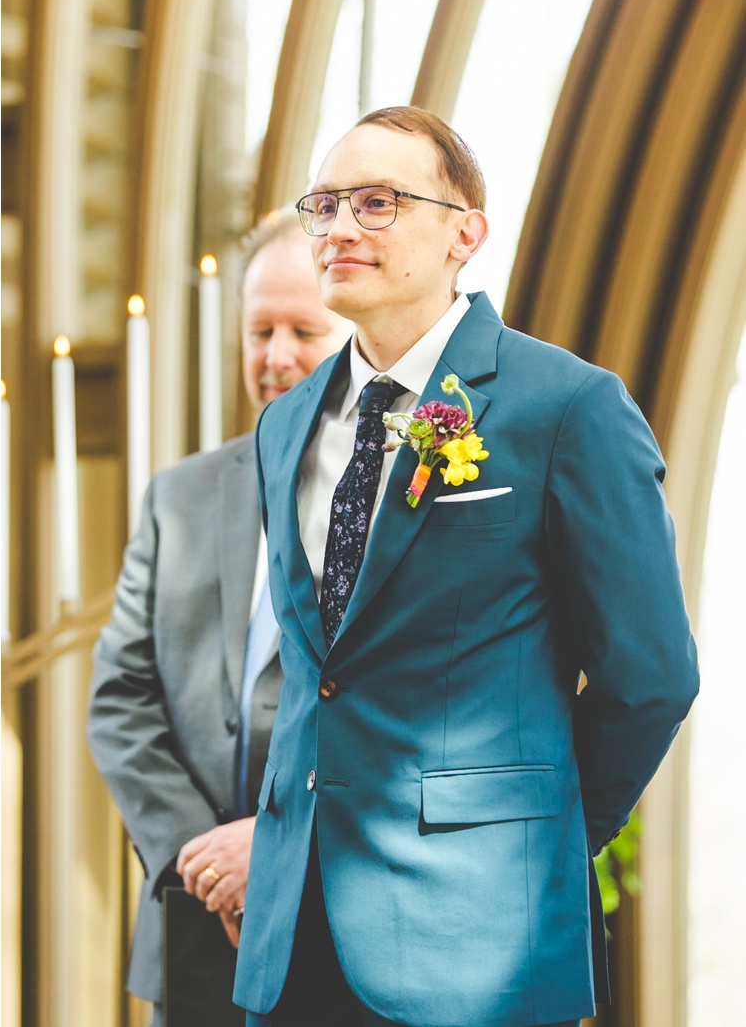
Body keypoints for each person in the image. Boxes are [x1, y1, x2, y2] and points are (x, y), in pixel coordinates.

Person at [235, 106, 699, 1027]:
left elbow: (649, 678)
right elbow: (319, 673)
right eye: (325, 204)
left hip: (478, 943)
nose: (339, 228)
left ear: (465, 233)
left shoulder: (568, 408)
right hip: (292, 940)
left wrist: (536, 841)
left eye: (377, 203)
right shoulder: (283, 426)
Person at [87, 211, 351, 1026]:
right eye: (259, 330)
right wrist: (207, 864)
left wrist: (278, 860)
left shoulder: (401, 501)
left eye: (303, 330)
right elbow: (119, 700)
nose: (276, 357)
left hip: (350, 934)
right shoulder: (180, 496)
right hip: (198, 932)